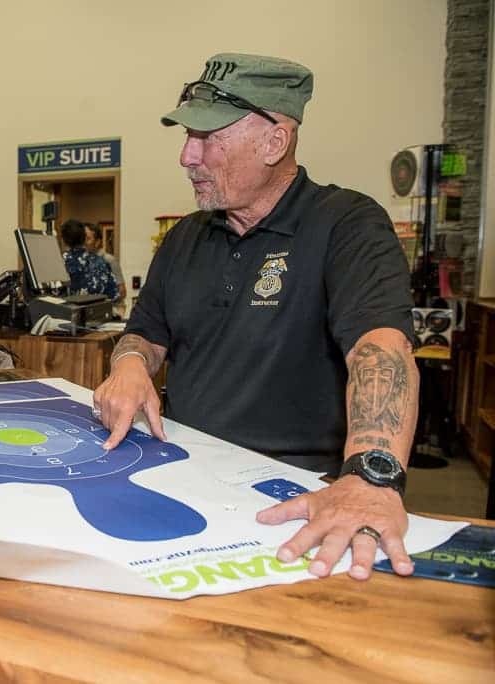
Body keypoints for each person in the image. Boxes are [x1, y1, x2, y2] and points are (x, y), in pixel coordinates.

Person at [94, 52, 419, 585]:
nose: (186, 157)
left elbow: (380, 349)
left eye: (207, 139)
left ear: (275, 142)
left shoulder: (348, 225)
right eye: (186, 138)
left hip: (290, 491)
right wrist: (130, 364)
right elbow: (145, 334)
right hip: (179, 470)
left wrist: (369, 477)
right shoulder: (184, 238)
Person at [60, 218, 117, 298]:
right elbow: (114, 294)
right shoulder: (101, 262)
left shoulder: (59, 263)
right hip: (98, 309)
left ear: (63, 240)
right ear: (84, 238)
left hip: (68, 309)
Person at [84, 222, 126, 305]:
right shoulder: (83, 261)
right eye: (83, 239)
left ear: (97, 242)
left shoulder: (109, 260)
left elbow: (122, 291)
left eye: (88, 239)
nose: (84, 242)